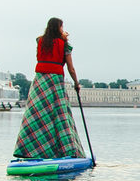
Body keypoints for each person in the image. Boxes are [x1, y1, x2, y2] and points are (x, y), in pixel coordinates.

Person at [13, 17, 88, 162]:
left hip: (40, 82)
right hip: (55, 82)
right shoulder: (64, 44)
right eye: (61, 27)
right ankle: (65, 150)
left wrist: (60, 36)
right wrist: (76, 83)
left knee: (37, 115)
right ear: (59, 28)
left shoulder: (40, 41)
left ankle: (30, 149)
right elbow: (71, 68)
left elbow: (41, 39)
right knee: (60, 116)